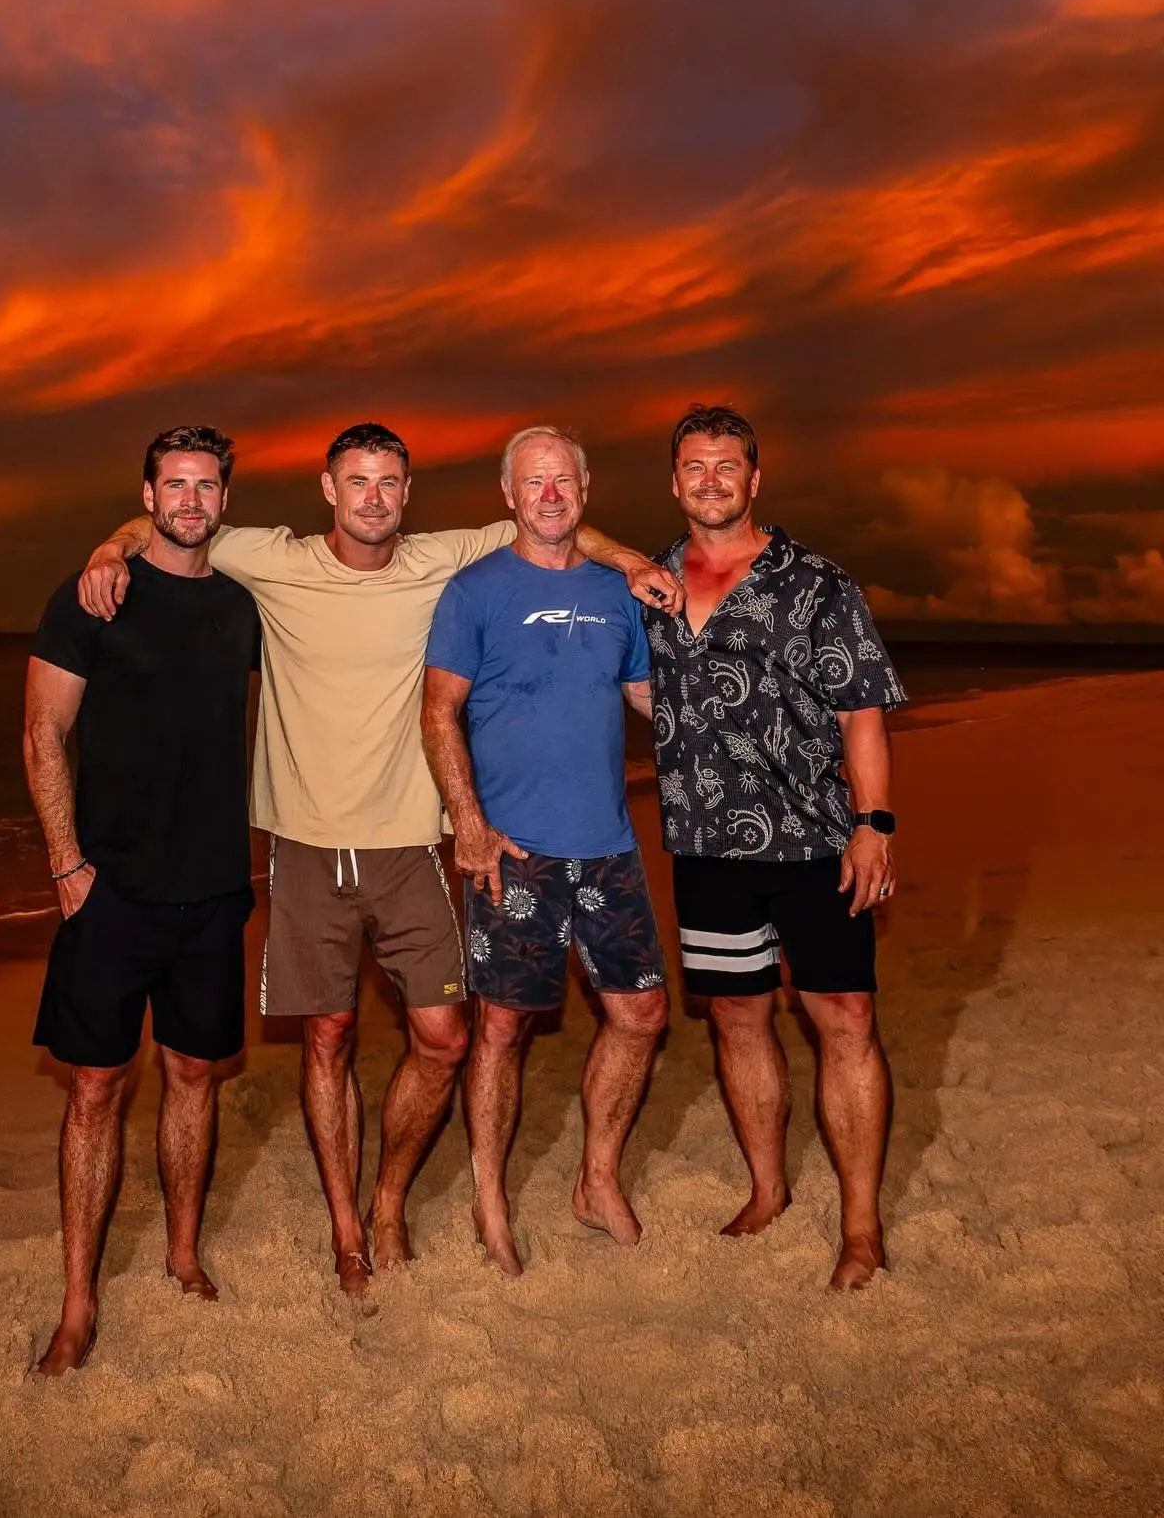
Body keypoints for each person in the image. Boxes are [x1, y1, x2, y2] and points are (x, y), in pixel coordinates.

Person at [78, 424, 681, 1300]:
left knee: (444, 1039)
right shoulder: (271, 559)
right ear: (328, 488)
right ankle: (349, 1230)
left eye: (389, 483)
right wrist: (106, 547)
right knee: (328, 1036)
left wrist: (626, 559)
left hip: (410, 842)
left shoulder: (445, 560)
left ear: (408, 491)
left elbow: (552, 524)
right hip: (307, 845)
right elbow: (174, 518)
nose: (373, 498)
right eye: (356, 482)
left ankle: (391, 1197)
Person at [643, 402, 907, 1289]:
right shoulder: (649, 585)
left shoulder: (818, 584)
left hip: (816, 842)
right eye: (694, 466)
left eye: (727, 466)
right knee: (736, 1016)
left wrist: (873, 825)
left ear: (754, 480)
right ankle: (768, 1190)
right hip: (704, 846)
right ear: (674, 480)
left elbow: (861, 711)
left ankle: (862, 1228)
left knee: (846, 1019)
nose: (710, 480)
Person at [24, 426, 260, 1373]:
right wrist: (68, 866)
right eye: (175, 485)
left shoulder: (246, 607)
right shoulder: (93, 597)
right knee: (95, 1088)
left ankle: (181, 1255)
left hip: (213, 891)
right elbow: (44, 733)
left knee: (195, 1077)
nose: (191, 500)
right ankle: (78, 1300)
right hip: (110, 890)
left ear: (224, 501)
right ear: (149, 493)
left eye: (207, 486)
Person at [421, 427, 669, 1276]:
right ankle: (492, 1198)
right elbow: (439, 711)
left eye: (563, 480)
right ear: (509, 496)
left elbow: (643, 697)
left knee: (640, 1015)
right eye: (535, 483)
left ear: (586, 488)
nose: (551, 495)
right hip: (513, 852)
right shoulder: (473, 591)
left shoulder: (616, 592)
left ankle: (597, 1180)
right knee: (502, 1029)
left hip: (607, 846)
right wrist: (468, 820)